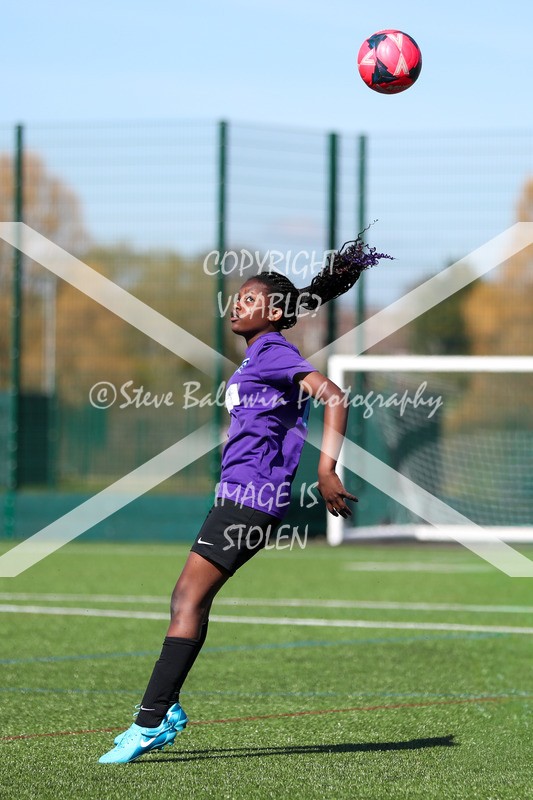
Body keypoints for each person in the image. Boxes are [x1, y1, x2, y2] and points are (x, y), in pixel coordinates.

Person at [99, 236, 391, 764]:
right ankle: (163, 711)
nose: (238, 304)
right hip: (241, 498)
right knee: (188, 600)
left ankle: (149, 721)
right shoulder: (260, 355)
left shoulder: (275, 352)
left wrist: (325, 469)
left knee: (186, 601)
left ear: (275, 312)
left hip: (250, 502)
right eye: (237, 298)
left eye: (250, 300)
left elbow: (334, 396)